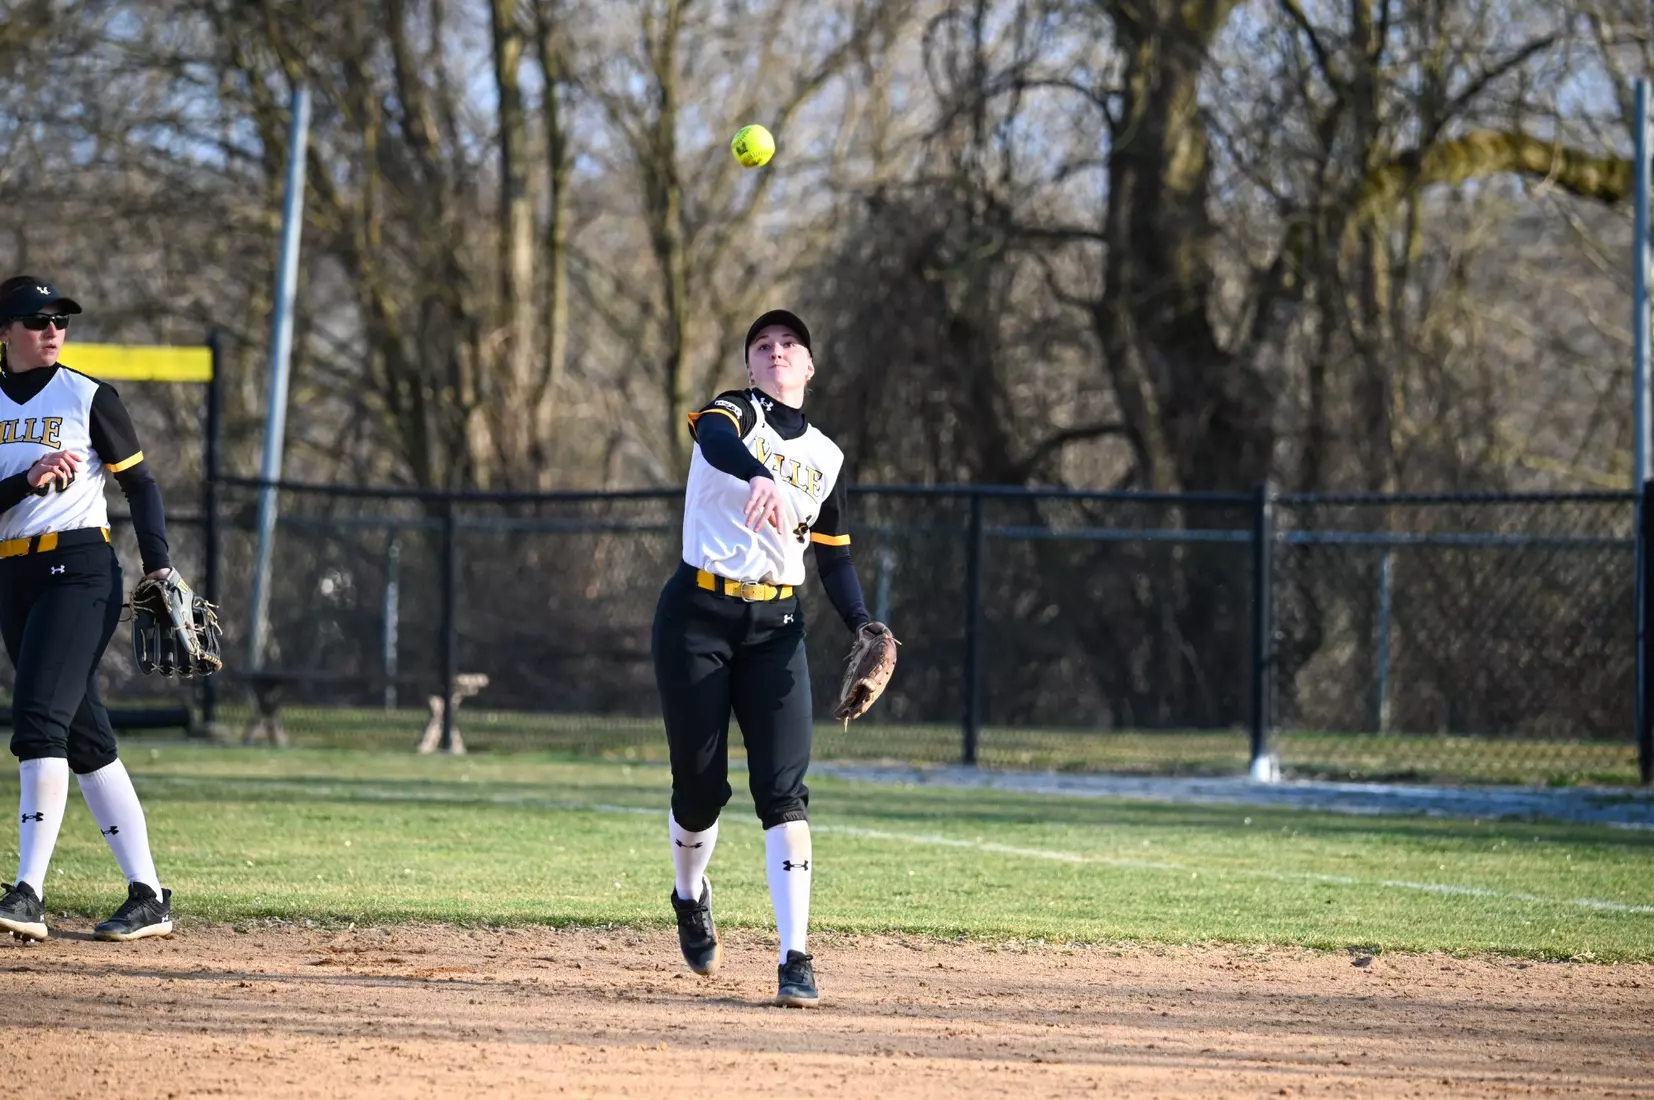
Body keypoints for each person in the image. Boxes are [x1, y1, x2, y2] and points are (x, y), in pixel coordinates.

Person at [652, 308, 885, 1008]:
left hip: (776, 627)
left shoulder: (827, 458)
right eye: (763, 345)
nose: (777, 351)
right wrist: (756, 475)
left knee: (784, 792)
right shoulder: (735, 415)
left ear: (809, 366)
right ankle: (690, 893)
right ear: (752, 366)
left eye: (790, 344)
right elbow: (714, 438)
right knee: (699, 793)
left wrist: (864, 623)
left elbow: (836, 558)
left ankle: (796, 957)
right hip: (697, 618)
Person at [0, 275, 176, 943]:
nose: (51, 329)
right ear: (4, 332)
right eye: (35, 318)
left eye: (59, 320)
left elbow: (141, 484)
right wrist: (25, 477)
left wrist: (158, 562)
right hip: (13, 573)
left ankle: (28, 893)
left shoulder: (88, 395)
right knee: (85, 739)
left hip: (80, 570)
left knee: (38, 720)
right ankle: (149, 895)